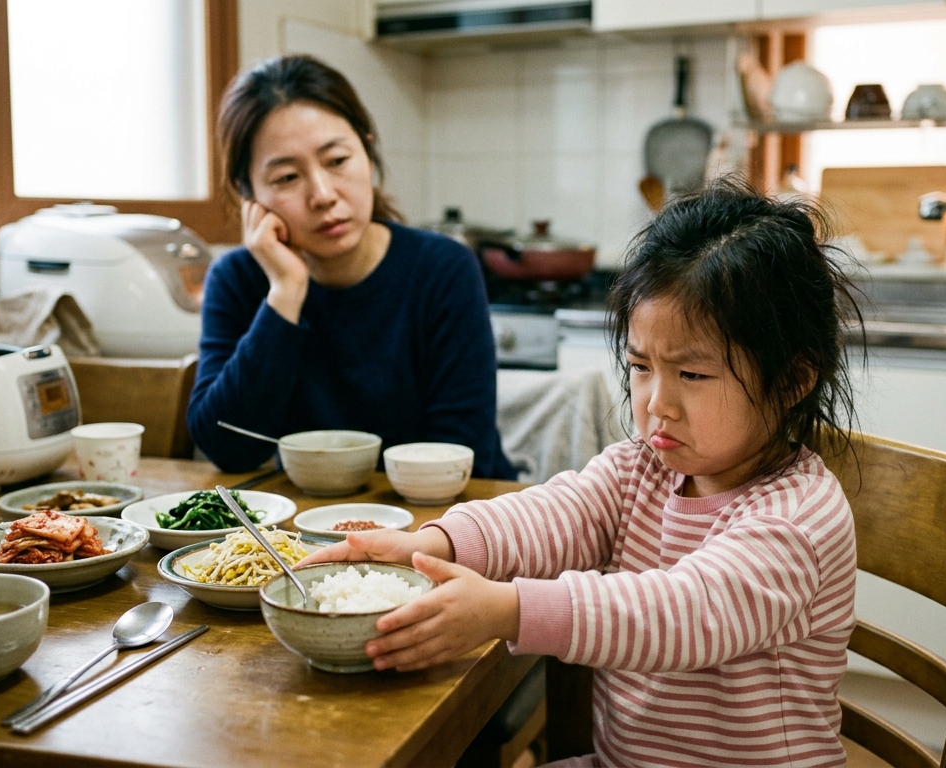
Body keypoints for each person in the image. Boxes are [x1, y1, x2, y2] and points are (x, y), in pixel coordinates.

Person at [301, 178, 862, 767]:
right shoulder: (643, 467)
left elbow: (679, 612)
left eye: (692, 375)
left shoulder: (798, 520)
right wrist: (432, 544)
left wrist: (507, 609)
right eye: (640, 367)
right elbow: (552, 514)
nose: (657, 403)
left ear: (793, 381)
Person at [188, 55, 514, 479]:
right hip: (308, 513)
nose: (323, 194)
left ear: (368, 152)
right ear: (248, 193)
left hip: (447, 511)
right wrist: (284, 294)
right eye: (287, 177)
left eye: (337, 160)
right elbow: (227, 449)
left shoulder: (442, 268)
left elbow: (462, 455)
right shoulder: (237, 279)